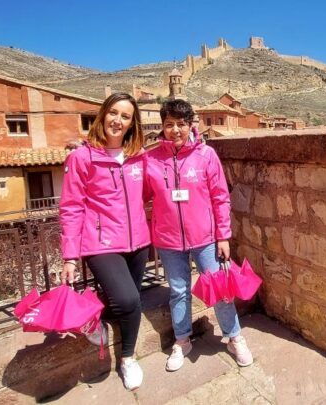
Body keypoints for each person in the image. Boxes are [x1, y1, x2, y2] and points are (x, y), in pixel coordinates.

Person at [144, 99, 253, 371]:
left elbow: (220, 197)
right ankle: (182, 341)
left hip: (205, 238)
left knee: (219, 289)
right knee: (178, 291)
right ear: (162, 127)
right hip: (168, 240)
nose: (176, 130)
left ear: (191, 125)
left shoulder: (206, 156)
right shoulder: (151, 159)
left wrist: (223, 236)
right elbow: (141, 194)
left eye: (181, 124)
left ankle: (234, 336)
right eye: (169, 124)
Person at [59, 92, 149, 390]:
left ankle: (94, 318)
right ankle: (128, 357)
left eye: (125, 116)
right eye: (113, 113)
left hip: (138, 242)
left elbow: (151, 188)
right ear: (102, 115)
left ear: (132, 123)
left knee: (126, 301)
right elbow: (71, 206)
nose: (118, 120)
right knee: (128, 299)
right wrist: (70, 256)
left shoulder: (139, 156)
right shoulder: (82, 157)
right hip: (100, 244)